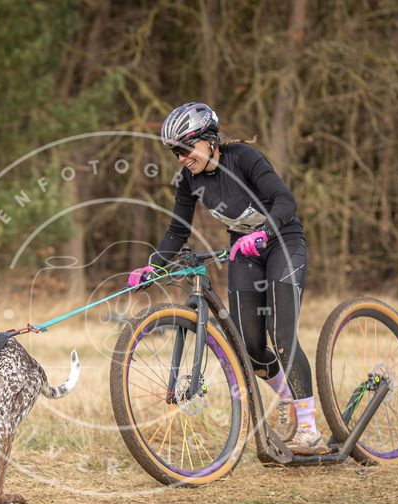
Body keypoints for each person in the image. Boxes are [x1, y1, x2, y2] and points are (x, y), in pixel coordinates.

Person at [128, 102, 321, 453]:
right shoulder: (189, 180)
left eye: (187, 148)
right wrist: (153, 266)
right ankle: (286, 397)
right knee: (248, 344)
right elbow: (176, 230)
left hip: (282, 243)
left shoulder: (244, 158)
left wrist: (264, 231)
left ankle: (309, 427)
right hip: (244, 252)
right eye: (175, 153)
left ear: (210, 140)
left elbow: (285, 201)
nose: (182, 158)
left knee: (280, 334)